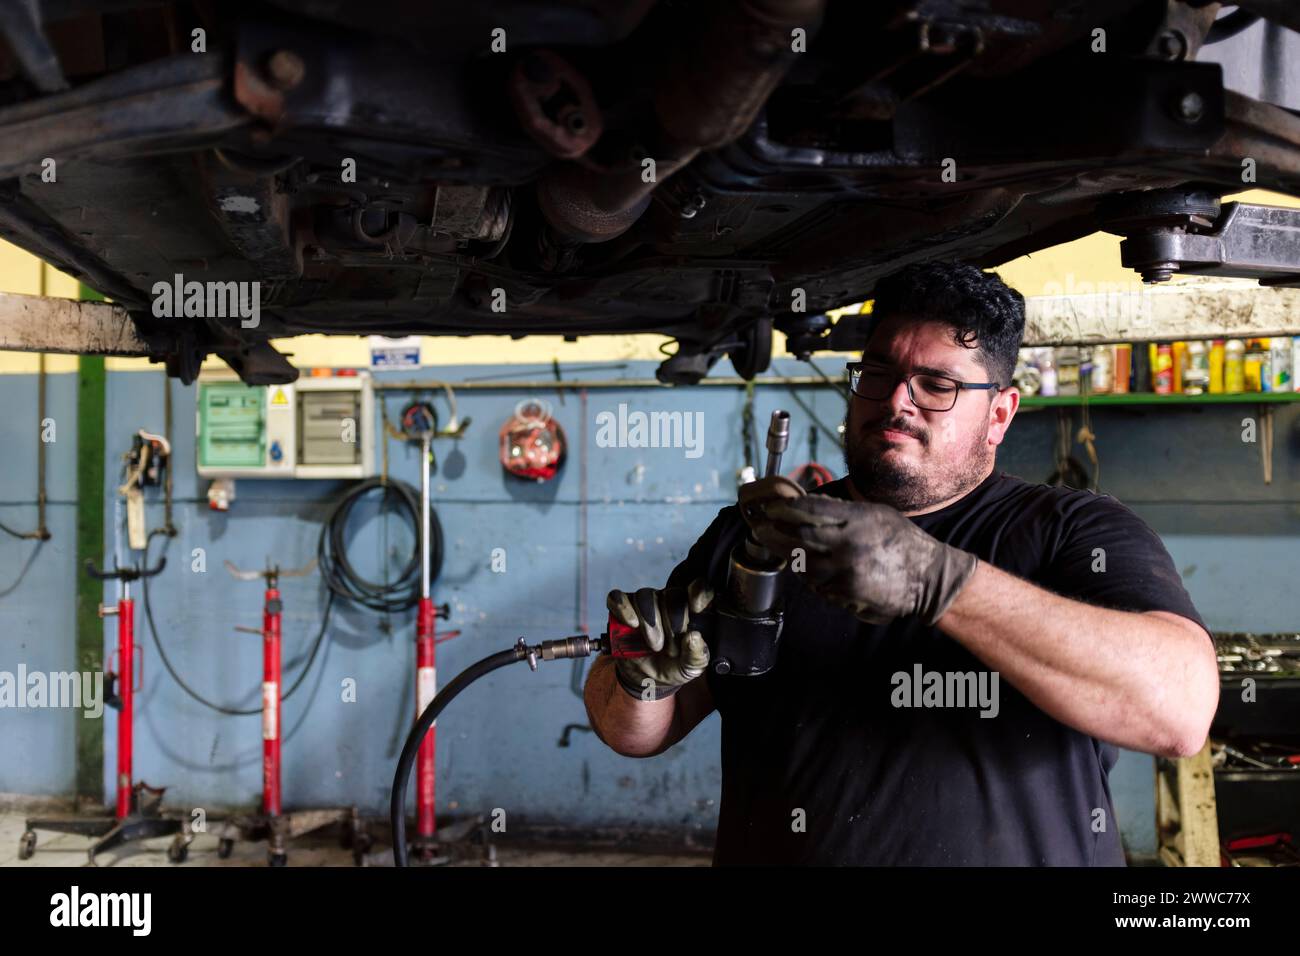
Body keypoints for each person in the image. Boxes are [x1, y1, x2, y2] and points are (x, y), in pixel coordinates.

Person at [582, 261, 1218, 865]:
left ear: (1000, 414)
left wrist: (938, 581)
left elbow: (1181, 713)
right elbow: (633, 732)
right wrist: (641, 678)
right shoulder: (758, 537)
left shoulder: (1074, 532)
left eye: (936, 386)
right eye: (878, 375)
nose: (896, 403)